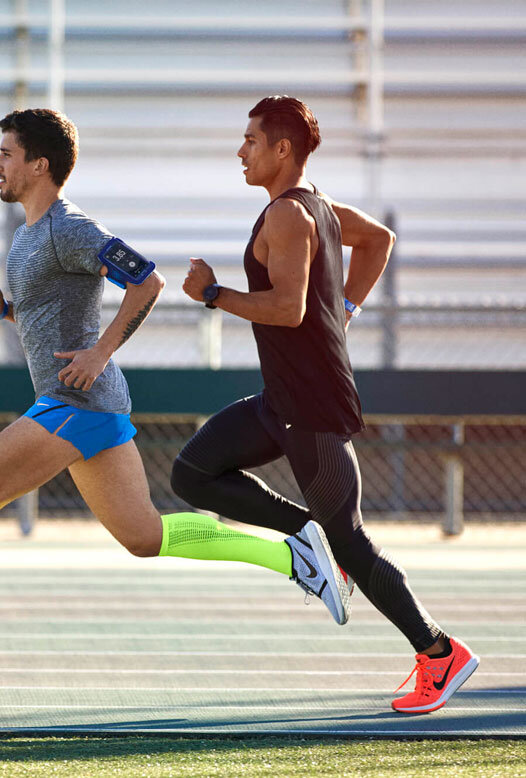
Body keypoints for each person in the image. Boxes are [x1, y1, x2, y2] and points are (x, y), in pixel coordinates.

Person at [0, 108, 354, 693]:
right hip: (89, 404)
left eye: (6, 154)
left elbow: (147, 280)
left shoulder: (70, 227)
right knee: (145, 536)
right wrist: (5, 309)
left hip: (75, 401)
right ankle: (295, 558)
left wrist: (100, 352)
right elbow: (53, 317)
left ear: (38, 165)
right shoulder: (29, 234)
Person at [173, 95, 479, 714]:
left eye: (251, 140)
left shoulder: (290, 214)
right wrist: (345, 310)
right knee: (192, 473)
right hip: (281, 400)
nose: (241, 151)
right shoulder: (317, 206)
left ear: (282, 149)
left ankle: (440, 653)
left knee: (352, 544)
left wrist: (213, 294)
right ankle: (304, 536)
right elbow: (379, 240)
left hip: (308, 406)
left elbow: (287, 310)